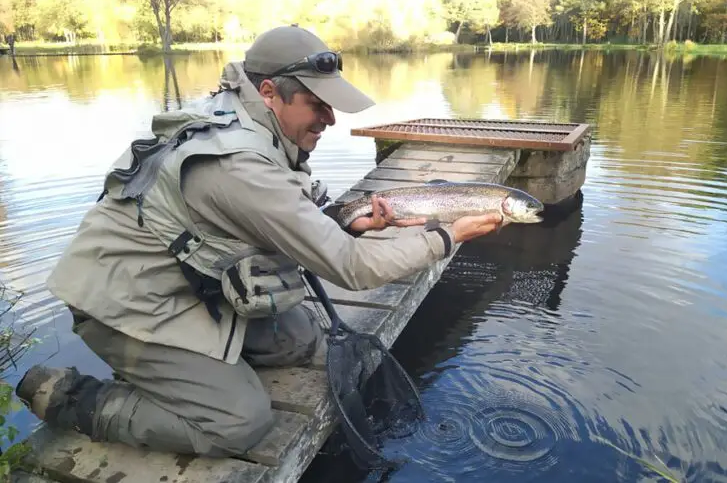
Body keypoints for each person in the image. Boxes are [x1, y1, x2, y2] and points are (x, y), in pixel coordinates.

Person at [15, 25, 503, 457]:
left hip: (187, 284)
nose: (329, 119)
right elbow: (353, 269)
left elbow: (284, 218)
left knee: (301, 340)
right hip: (127, 306)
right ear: (270, 91)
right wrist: (446, 234)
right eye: (317, 104)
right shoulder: (237, 165)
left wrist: (348, 224)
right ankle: (77, 400)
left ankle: (202, 365)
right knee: (240, 424)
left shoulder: (248, 119)